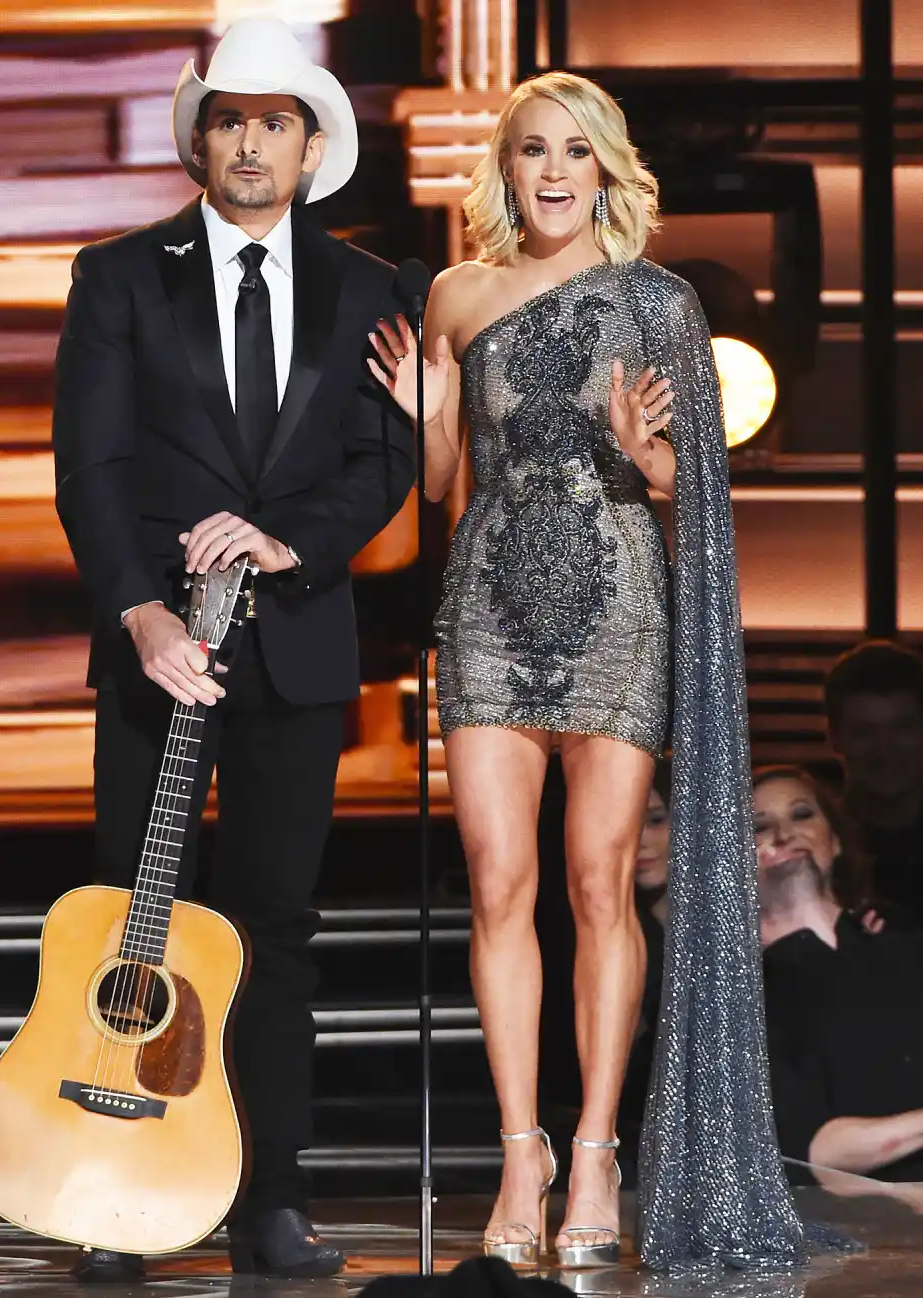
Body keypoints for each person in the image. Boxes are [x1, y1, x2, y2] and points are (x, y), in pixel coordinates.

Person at [368, 71, 806, 1271]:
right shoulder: (455, 292)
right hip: (488, 606)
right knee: (499, 882)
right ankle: (524, 1150)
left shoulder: (659, 304)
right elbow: (441, 483)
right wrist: (429, 408)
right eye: (529, 150)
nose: (552, 170)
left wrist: (645, 455)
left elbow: (701, 494)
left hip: (618, 606)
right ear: (503, 168)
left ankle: (599, 1145)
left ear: (606, 166)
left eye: (573, 150)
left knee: (598, 881)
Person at [52, 18, 413, 1280]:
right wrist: (137, 614)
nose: (250, 140)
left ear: (312, 145)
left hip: (297, 645)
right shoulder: (116, 275)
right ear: (197, 135)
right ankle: (109, 1188)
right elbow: (90, 465)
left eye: (276, 120)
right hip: (154, 648)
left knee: (273, 925)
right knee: (127, 920)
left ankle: (269, 1196)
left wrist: (276, 540)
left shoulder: (373, 288)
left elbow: (386, 461)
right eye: (229, 117)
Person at [754, 767, 923, 1184]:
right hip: (856, 1230)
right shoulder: (742, 992)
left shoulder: (904, 947)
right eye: (759, 825)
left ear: (836, 840)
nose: (783, 832)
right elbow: (811, 1151)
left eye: (802, 814)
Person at [825, 639, 923, 925]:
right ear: (835, 738)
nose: (885, 750)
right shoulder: (814, 849)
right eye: (864, 732)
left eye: (902, 728)